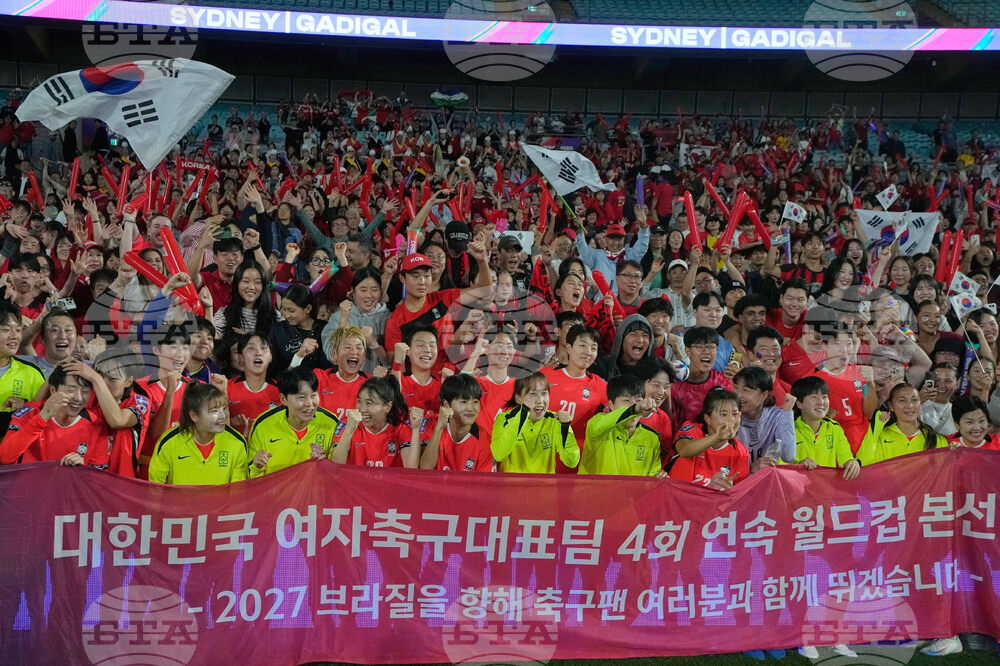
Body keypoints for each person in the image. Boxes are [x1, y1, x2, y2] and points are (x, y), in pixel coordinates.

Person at [0, 365, 112, 467]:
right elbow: (5, 457)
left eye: (85, 391)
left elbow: (98, 479)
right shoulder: (30, 413)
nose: (79, 398)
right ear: (53, 390)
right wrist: (42, 417)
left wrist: (83, 469)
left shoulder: (96, 425)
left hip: (69, 488)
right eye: (71, 390)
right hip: (28, 487)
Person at [147, 382, 249, 485]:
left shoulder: (237, 443)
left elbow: (237, 492)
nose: (223, 416)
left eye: (224, 408)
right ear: (194, 416)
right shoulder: (168, 442)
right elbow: (156, 489)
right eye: (214, 411)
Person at [248, 366, 341, 476]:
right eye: (301, 397)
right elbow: (251, 478)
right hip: (277, 492)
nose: (309, 403)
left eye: (313, 395)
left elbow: (338, 474)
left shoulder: (332, 423)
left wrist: (326, 464)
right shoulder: (263, 425)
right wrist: (257, 467)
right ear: (283, 399)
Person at [540, 324, 607, 471]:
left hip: (579, 463)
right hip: (544, 460)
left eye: (593, 348)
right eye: (582, 345)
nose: (588, 352)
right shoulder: (545, 376)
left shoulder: (601, 386)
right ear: (569, 348)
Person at [491, 371, 578, 473]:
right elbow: (499, 455)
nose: (540, 401)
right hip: (511, 488)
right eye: (533, 394)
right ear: (518, 399)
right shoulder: (504, 419)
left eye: (544, 394)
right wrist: (522, 416)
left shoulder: (555, 421)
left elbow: (572, 462)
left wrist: (565, 428)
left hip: (545, 488)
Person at [666, 387, 750, 490]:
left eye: (735, 414)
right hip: (676, 498)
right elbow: (684, 450)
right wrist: (717, 437)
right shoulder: (692, 430)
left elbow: (738, 494)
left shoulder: (741, 453)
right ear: (708, 419)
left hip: (711, 504)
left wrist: (728, 491)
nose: (731, 420)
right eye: (724, 414)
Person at [810, 324, 876, 452]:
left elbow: (869, 413)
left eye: (848, 344)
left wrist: (870, 385)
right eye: (837, 344)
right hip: (832, 447)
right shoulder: (812, 380)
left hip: (863, 446)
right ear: (824, 346)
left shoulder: (860, 373)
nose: (844, 350)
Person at [579, 375, 661, 476]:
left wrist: (659, 477)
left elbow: (651, 479)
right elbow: (602, 425)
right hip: (593, 491)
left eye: (639, 401)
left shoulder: (651, 437)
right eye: (626, 401)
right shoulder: (597, 424)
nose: (634, 405)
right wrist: (633, 409)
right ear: (611, 404)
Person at [332, 376, 421, 468]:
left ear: (387, 407)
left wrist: (415, 429)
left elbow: (411, 469)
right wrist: (349, 430)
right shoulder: (348, 424)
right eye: (359, 401)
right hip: (355, 482)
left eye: (369, 403)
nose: (362, 409)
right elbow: (336, 465)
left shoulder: (401, 429)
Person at [787, 376, 861, 479]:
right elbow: (778, 463)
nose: (821, 402)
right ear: (799, 404)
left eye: (824, 397)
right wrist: (798, 464)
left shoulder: (834, 428)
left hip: (826, 492)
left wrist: (852, 463)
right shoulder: (788, 429)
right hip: (796, 492)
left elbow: (845, 457)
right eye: (814, 397)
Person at [857, 384, 948, 465]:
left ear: (920, 403)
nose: (910, 405)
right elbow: (864, 462)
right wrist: (876, 427)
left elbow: (945, 474)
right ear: (891, 406)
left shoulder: (937, 439)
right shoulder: (882, 436)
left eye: (914, 400)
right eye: (902, 400)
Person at [420, 373, 493, 471]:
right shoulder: (432, 423)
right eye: (464, 402)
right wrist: (439, 428)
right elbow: (425, 468)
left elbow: (481, 483)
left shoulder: (484, 439)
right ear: (446, 404)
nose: (471, 408)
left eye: (475, 402)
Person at [671, 326, 735, 428]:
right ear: (687, 351)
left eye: (711, 347)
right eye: (700, 347)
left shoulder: (724, 382)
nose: (707, 351)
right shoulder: (673, 384)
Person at [733, 366, 796, 466]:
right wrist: (751, 470)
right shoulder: (728, 416)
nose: (738, 395)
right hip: (737, 480)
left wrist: (787, 413)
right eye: (735, 388)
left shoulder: (776, 416)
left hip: (765, 480)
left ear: (764, 395)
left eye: (746, 390)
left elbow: (788, 456)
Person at [0, 301, 44, 432]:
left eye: (18, 330)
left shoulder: (32, 373)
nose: (14, 336)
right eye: (6, 330)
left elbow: (47, 414)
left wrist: (25, 406)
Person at [227, 333, 281, 436]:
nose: (258, 353)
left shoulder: (281, 390)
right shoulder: (227, 387)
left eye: (264, 348)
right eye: (251, 348)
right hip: (237, 450)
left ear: (270, 357)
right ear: (241, 358)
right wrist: (230, 422)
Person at [315, 326, 370, 420]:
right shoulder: (318, 377)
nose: (354, 352)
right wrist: (299, 357)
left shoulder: (371, 384)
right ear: (334, 353)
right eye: (348, 347)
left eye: (359, 348)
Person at [589, 313, 655, 380]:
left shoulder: (654, 372)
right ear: (621, 339)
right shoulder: (601, 367)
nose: (640, 340)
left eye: (645, 335)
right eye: (633, 334)